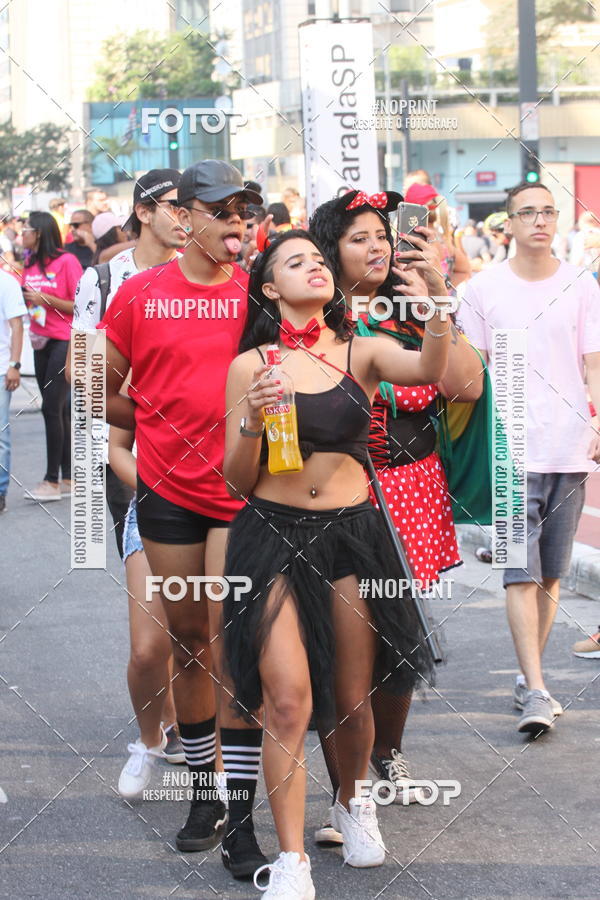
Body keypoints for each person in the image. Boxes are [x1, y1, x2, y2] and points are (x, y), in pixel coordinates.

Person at [221, 228, 450, 897]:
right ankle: (291, 859)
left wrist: (436, 299)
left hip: (353, 536)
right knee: (287, 700)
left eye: (319, 260)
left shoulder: (361, 349)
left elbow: (432, 372)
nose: (315, 268)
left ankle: (352, 802)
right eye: (296, 262)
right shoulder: (252, 366)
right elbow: (237, 481)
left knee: (351, 699)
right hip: (270, 534)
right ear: (269, 288)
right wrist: (253, 424)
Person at [101, 160, 268, 874]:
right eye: (221, 210)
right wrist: (152, 421)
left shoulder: (257, 294)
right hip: (165, 496)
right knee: (191, 643)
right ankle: (205, 793)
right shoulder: (139, 295)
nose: (235, 224)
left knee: (237, 649)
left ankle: (244, 818)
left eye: (244, 212)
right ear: (186, 218)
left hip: (242, 494)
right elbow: (102, 392)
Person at [309, 190, 483, 838]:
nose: (379, 246)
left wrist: (437, 296)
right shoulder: (314, 317)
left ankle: (385, 751)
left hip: (411, 492)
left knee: (400, 636)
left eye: (384, 234)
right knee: (339, 646)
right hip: (340, 497)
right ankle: (344, 794)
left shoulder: (413, 311)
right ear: (329, 248)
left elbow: (464, 384)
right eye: (360, 236)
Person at [459, 181, 600, 734]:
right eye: (527, 213)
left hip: (567, 446)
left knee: (550, 576)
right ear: (509, 225)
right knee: (521, 572)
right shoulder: (483, 291)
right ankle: (538, 688)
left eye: (548, 211)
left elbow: (593, 364)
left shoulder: (581, 287)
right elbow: (471, 374)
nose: (539, 221)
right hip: (511, 452)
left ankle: (527, 676)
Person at [108, 425, 184, 795]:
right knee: (148, 649)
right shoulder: (137, 370)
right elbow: (116, 445)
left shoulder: (241, 365)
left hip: (225, 505)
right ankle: (153, 735)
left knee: (211, 649)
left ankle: (216, 774)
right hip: (157, 501)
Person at [21, 212, 82, 502]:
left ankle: (52, 480)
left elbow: (81, 304)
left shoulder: (66, 262)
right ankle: (68, 476)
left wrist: (44, 299)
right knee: (59, 410)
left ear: (41, 233)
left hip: (64, 340)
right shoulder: (29, 262)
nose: (22, 233)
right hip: (39, 340)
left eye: (27, 229)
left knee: (51, 407)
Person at [404, 183, 471, 288]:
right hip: (441, 302)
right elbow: (464, 269)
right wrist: (444, 290)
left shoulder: (416, 239)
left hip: (418, 303)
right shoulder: (443, 239)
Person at [0, 270, 27, 513]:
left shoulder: (6, 282)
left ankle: (0, 491)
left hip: (1, 367)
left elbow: (16, 325)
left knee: (0, 435)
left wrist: (14, 365)